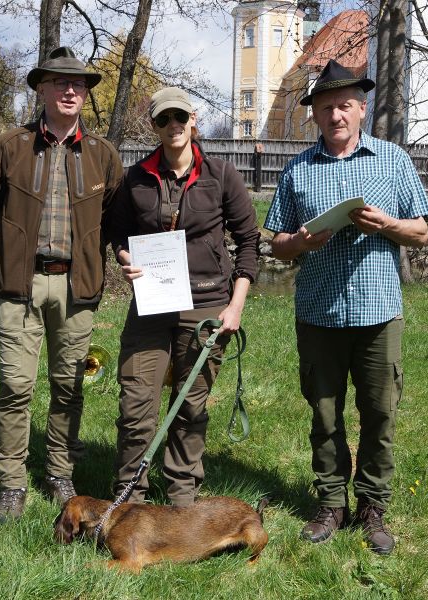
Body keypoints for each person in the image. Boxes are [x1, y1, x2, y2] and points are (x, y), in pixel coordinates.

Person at [265, 60, 428, 554]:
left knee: (380, 413)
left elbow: (421, 232)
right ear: (314, 115)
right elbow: (276, 243)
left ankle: (373, 506)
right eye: (325, 108)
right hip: (318, 313)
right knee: (324, 415)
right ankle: (331, 503)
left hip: (379, 312)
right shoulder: (298, 169)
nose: (335, 115)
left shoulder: (392, 160)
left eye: (344, 106)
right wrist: (300, 242)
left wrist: (387, 225)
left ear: (361, 109)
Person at [0, 47, 123, 523]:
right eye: (60, 82)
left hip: (76, 289)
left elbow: (114, 220)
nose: (70, 90)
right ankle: (12, 483)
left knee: (68, 386)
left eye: (78, 83)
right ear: (41, 88)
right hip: (20, 287)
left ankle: (59, 472)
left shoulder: (102, 155)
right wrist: (15, 254)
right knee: (15, 386)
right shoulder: (10, 147)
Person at [110, 87, 260, 507]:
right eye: (163, 119)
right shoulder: (135, 177)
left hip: (207, 305)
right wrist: (124, 257)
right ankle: (129, 499)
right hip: (151, 305)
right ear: (154, 126)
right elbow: (118, 233)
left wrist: (235, 305)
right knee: (136, 404)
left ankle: (182, 496)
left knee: (189, 405)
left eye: (180, 116)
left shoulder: (221, 174)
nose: (172, 125)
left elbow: (249, 241)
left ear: (193, 119)